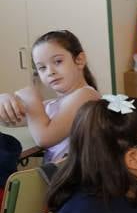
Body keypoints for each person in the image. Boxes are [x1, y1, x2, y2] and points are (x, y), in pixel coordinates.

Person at [0, 30, 100, 163]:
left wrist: (32, 100)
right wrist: (4, 101)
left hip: (80, 181)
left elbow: (44, 139)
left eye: (57, 61)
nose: (50, 72)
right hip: (59, 178)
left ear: (79, 60)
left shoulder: (86, 95)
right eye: (42, 68)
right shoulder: (53, 105)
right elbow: (10, 120)